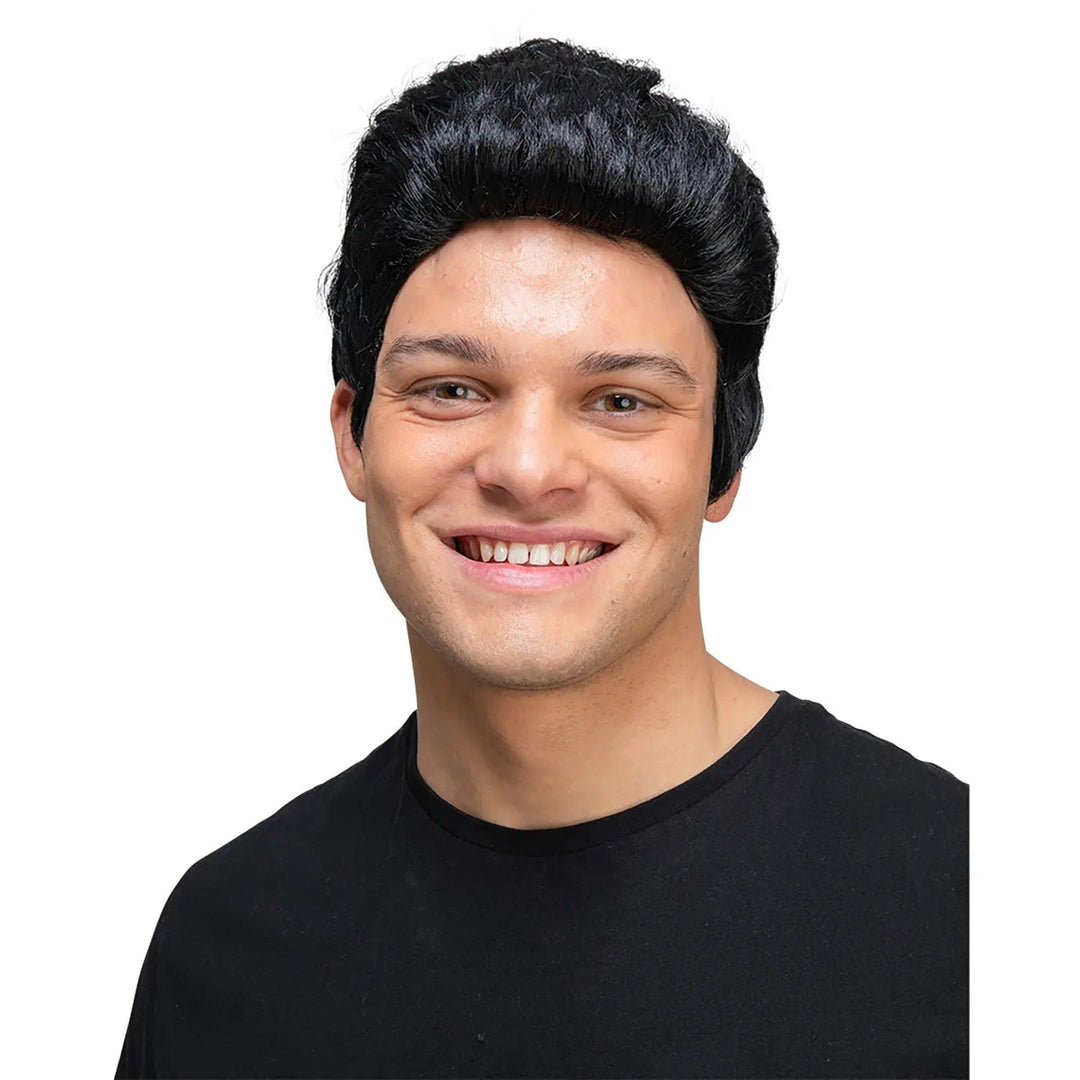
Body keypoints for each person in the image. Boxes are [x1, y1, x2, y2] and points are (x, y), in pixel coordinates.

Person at [115, 37, 968, 1079]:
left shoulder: (973, 910)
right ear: (353, 437)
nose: (527, 469)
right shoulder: (227, 945)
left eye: (621, 402)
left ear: (721, 463)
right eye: (452, 388)